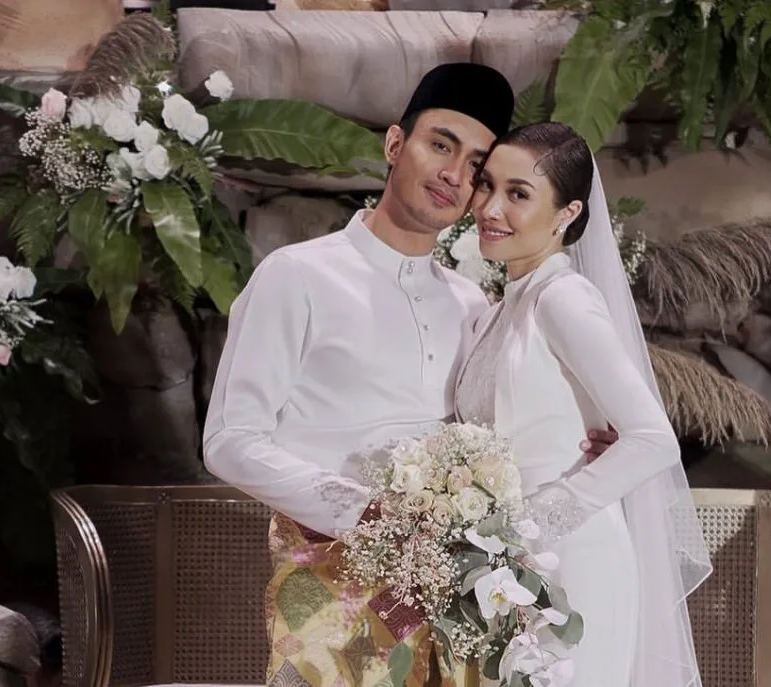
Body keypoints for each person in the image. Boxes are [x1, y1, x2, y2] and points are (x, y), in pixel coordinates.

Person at [201, 64, 616, 687]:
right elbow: (229, 441)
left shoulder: (472, 303)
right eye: (441, 145)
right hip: (331, 577)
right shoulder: (297, 276)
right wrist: (368, 514)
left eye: (476, 166)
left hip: (457, 586)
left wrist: (587, 441)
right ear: (395, 144)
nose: (454, 174)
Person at [455, 121, 713, 686]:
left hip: (571, 556)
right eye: (487, 185)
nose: (490, 208)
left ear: (567, 213)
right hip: (504, 566)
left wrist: (529, 525)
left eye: (518, 194)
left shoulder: (563, 299)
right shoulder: (499, 310)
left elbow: (653, 439)